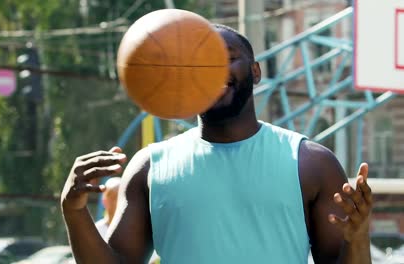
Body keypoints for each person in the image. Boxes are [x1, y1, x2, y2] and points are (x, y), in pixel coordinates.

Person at [61, 24, 373, 263]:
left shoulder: (311, 164)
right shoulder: (149, 166)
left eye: (227, 58)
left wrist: (358, 237)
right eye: (199, 61)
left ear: (255, 71)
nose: (212, 69)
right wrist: (74, 211)